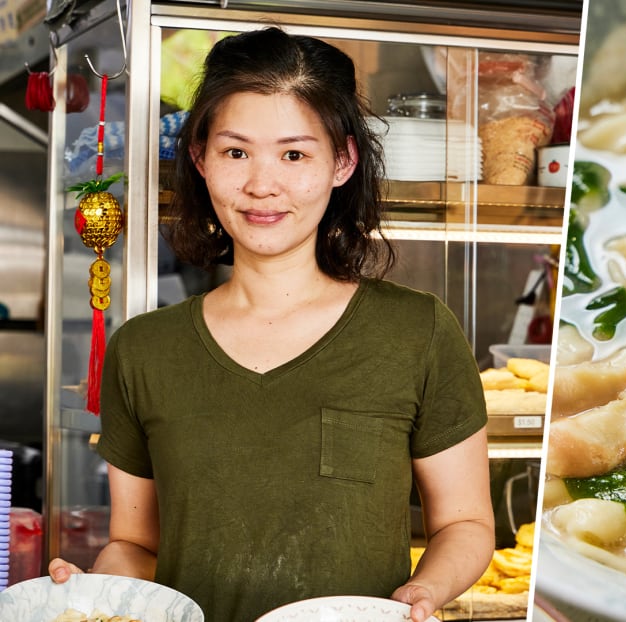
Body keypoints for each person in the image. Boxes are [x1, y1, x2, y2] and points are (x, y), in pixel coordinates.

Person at [49, 25, 495, 622]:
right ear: (201, 159)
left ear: (341, 162)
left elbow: (465, 523)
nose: (262, 185)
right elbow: (137, 544)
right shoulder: (145, 349)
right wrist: (97, 597)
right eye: (236, 152)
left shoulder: (418, 332)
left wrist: (423, 592)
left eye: (294, 154)